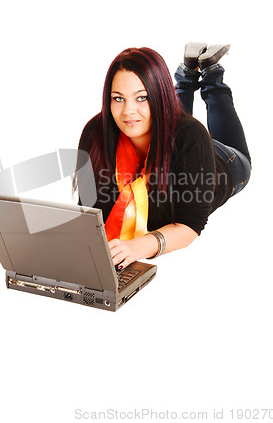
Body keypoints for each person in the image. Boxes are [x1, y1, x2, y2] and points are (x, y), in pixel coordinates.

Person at [74, 44, 251, 270]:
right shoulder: (95, 134)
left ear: (156, 96)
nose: (128, 111)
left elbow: (189, 226)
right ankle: (187, 73)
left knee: (217, 125)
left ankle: (211, 72)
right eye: (118, 98)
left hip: (222, 163)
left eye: (142, 97)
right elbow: (89, 213)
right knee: (168, 121)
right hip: (171, 137)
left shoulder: (190, 136)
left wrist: (138, 246)